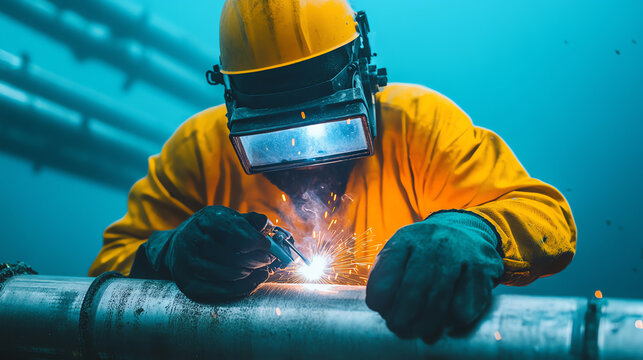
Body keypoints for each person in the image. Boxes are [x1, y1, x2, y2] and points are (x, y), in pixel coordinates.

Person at [89, 0, 576, 343]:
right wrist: (165, 253)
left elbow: (547, 217)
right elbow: (104, 271)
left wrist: (477, 230)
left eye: (332, 136)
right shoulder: (197, 151)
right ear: (234, 114)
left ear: (365, 89)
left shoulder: (419, 126)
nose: (305, 173)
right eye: (274, 145)